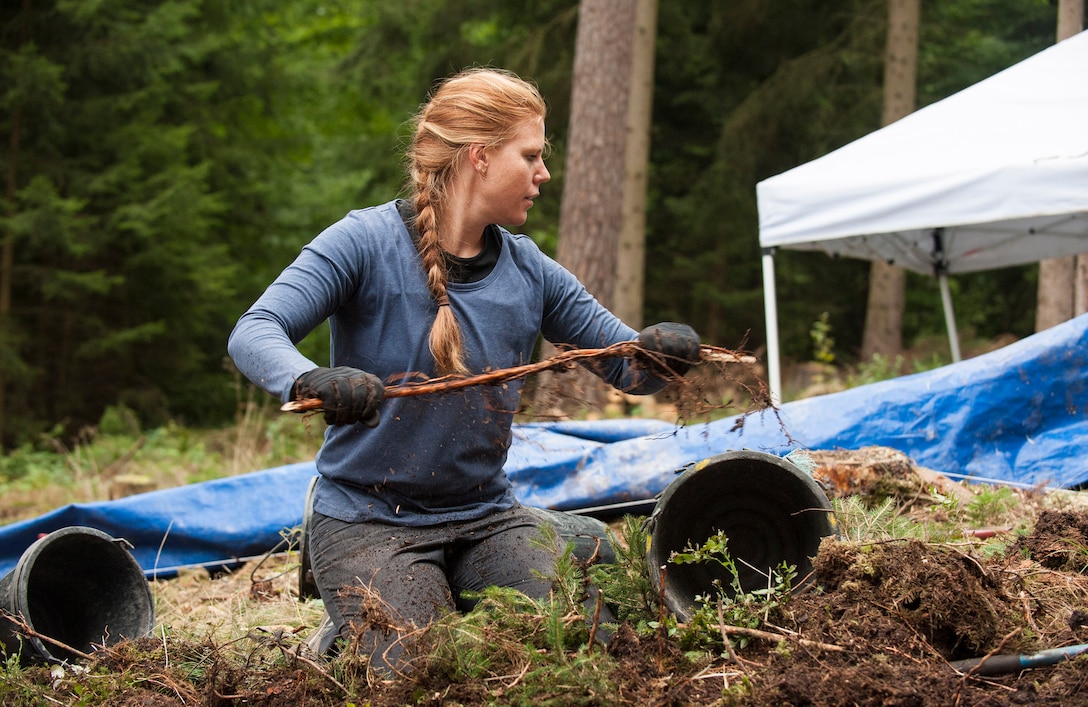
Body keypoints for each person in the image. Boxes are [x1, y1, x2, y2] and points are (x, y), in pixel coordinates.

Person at [227, 67, 700, 670]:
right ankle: (345, 625)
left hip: (485, 515)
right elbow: (255, 330)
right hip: (369, 520)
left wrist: (667, 353)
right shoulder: (363, 242)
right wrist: (307, 377)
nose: (543, 174)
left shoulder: (531, 271)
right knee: (427, 670)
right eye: (530, 155)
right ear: (480, 156)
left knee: (579, 648)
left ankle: (566, 541)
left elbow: (631, 370)